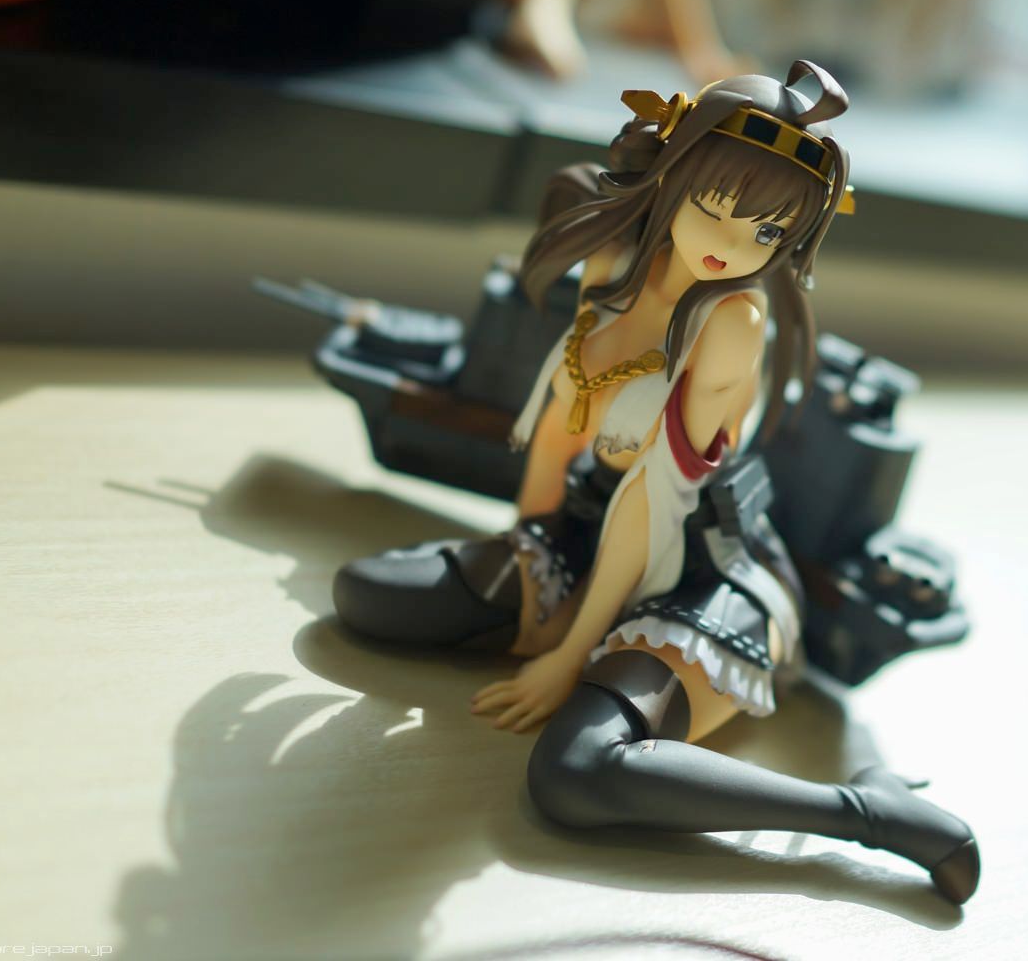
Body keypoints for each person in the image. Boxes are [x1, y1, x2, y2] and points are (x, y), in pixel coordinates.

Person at [331, 61, 981, 904]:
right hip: (588, 528)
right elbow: (563, 425)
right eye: (712, 207)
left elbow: (654, 506)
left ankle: (869, 812)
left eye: (765, 233)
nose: (729, 246)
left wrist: (569, 658)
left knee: (575, 773)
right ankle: (569, 627)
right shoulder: (612, 265)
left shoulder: (732, 323)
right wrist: (531, 542)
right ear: (674, 175)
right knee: (374, 596)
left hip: (706, 569)